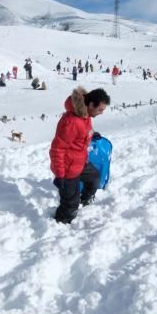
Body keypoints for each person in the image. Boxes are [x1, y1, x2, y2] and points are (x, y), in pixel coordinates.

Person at [50, 87, 110, 224]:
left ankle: (84, 200)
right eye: (100, 110)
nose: (101, 113)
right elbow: (57, 149)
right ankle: (61, 222)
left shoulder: (86, 115)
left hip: (80, 162)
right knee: (70, 204)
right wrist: (60, 175)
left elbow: (84, 130)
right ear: (90, 105)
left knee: (94, 178)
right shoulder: (72, 122)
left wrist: (92, 134)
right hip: (68, 169)